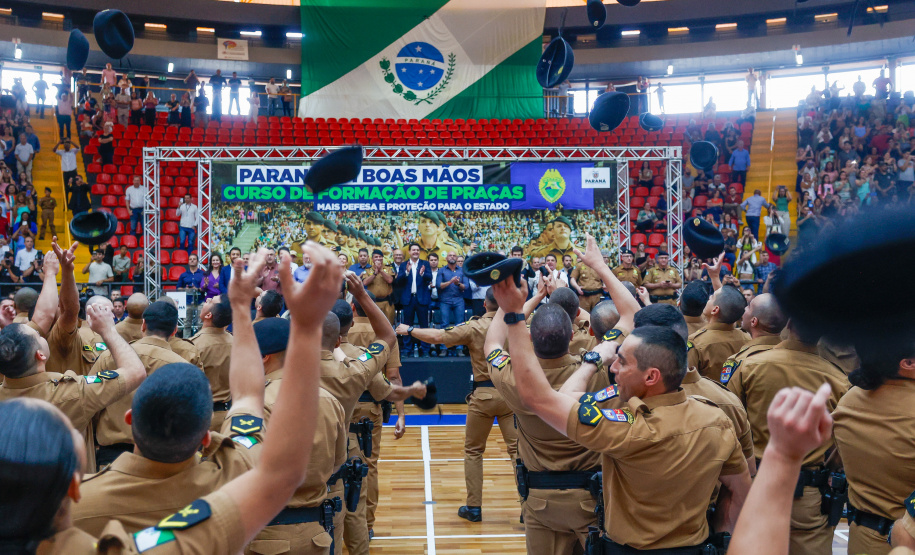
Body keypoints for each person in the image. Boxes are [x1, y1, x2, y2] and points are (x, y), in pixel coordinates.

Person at [3, 244, 340, 555]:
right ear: (206, 437)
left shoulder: (85, 503)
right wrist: (261, 313)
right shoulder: (203, 500)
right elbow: (268, 444)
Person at [487, 233, 751, 551]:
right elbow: (742, 490)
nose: (613, 368)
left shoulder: (625, 427)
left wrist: (516, 314)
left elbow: (540, 397)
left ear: (651, 376)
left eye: (622, 362)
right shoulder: (717, 419)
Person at [397, 288, 518, 523]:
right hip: (511, 395)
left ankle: (474, 508)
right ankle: (528, 508)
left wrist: (409, 329)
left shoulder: (475, 327)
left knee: (474, 452)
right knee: (518, 453)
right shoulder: (517, 324)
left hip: (483, 396)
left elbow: (436, 337)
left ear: (484, 304)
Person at [727, 321, 849, 555]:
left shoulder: (747, 366)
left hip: (754, 484)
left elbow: (730, 425)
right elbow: (841, 445)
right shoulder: (839, 379)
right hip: (810, 495)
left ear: (788, 325)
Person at [687, 260, 750, 382]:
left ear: (715, 310)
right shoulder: (747, 338)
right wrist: (715, 277)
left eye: (711, 298)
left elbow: (690, 383)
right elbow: (727, 304)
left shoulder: (696, 343)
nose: (708, 299)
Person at [394, 243, 432, 356]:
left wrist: (423, 274)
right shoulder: (404, 265)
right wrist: (406, 272)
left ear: (419, 252)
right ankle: (407, 350)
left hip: (422, 299)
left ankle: (425, 350)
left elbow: (429, 278)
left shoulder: (425, 264)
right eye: (413, 250)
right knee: (407, 325)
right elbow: (398, 281)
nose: (415, 252)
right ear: (409, 252)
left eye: (417, 250)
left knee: (424, 325)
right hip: (408, 299)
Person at [436, 251, 465, 355]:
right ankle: (444, 348)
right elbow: (439, 285)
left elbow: (466, 287)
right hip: (445, 301)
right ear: (446, 258)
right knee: (444, 325)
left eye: (454, 255)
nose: (452, 257)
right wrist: (450, 282)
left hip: (458, 300)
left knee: (460, 325)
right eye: (450, 255)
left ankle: (459, 348)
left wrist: (458, 284)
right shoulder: (442, 271)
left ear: (456, 258)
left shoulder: (461, 271)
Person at [362, 248, 396, 324]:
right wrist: (374, 273)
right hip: (373, 303)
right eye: (376, 257)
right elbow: (365, 283)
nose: (378, 258)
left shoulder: (389, 268)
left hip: (387, 303)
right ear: (372, 259)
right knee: (374, 325)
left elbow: (390, 280)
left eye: (380, 256)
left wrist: (380, 270)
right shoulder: (368, 270)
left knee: (388, 325)